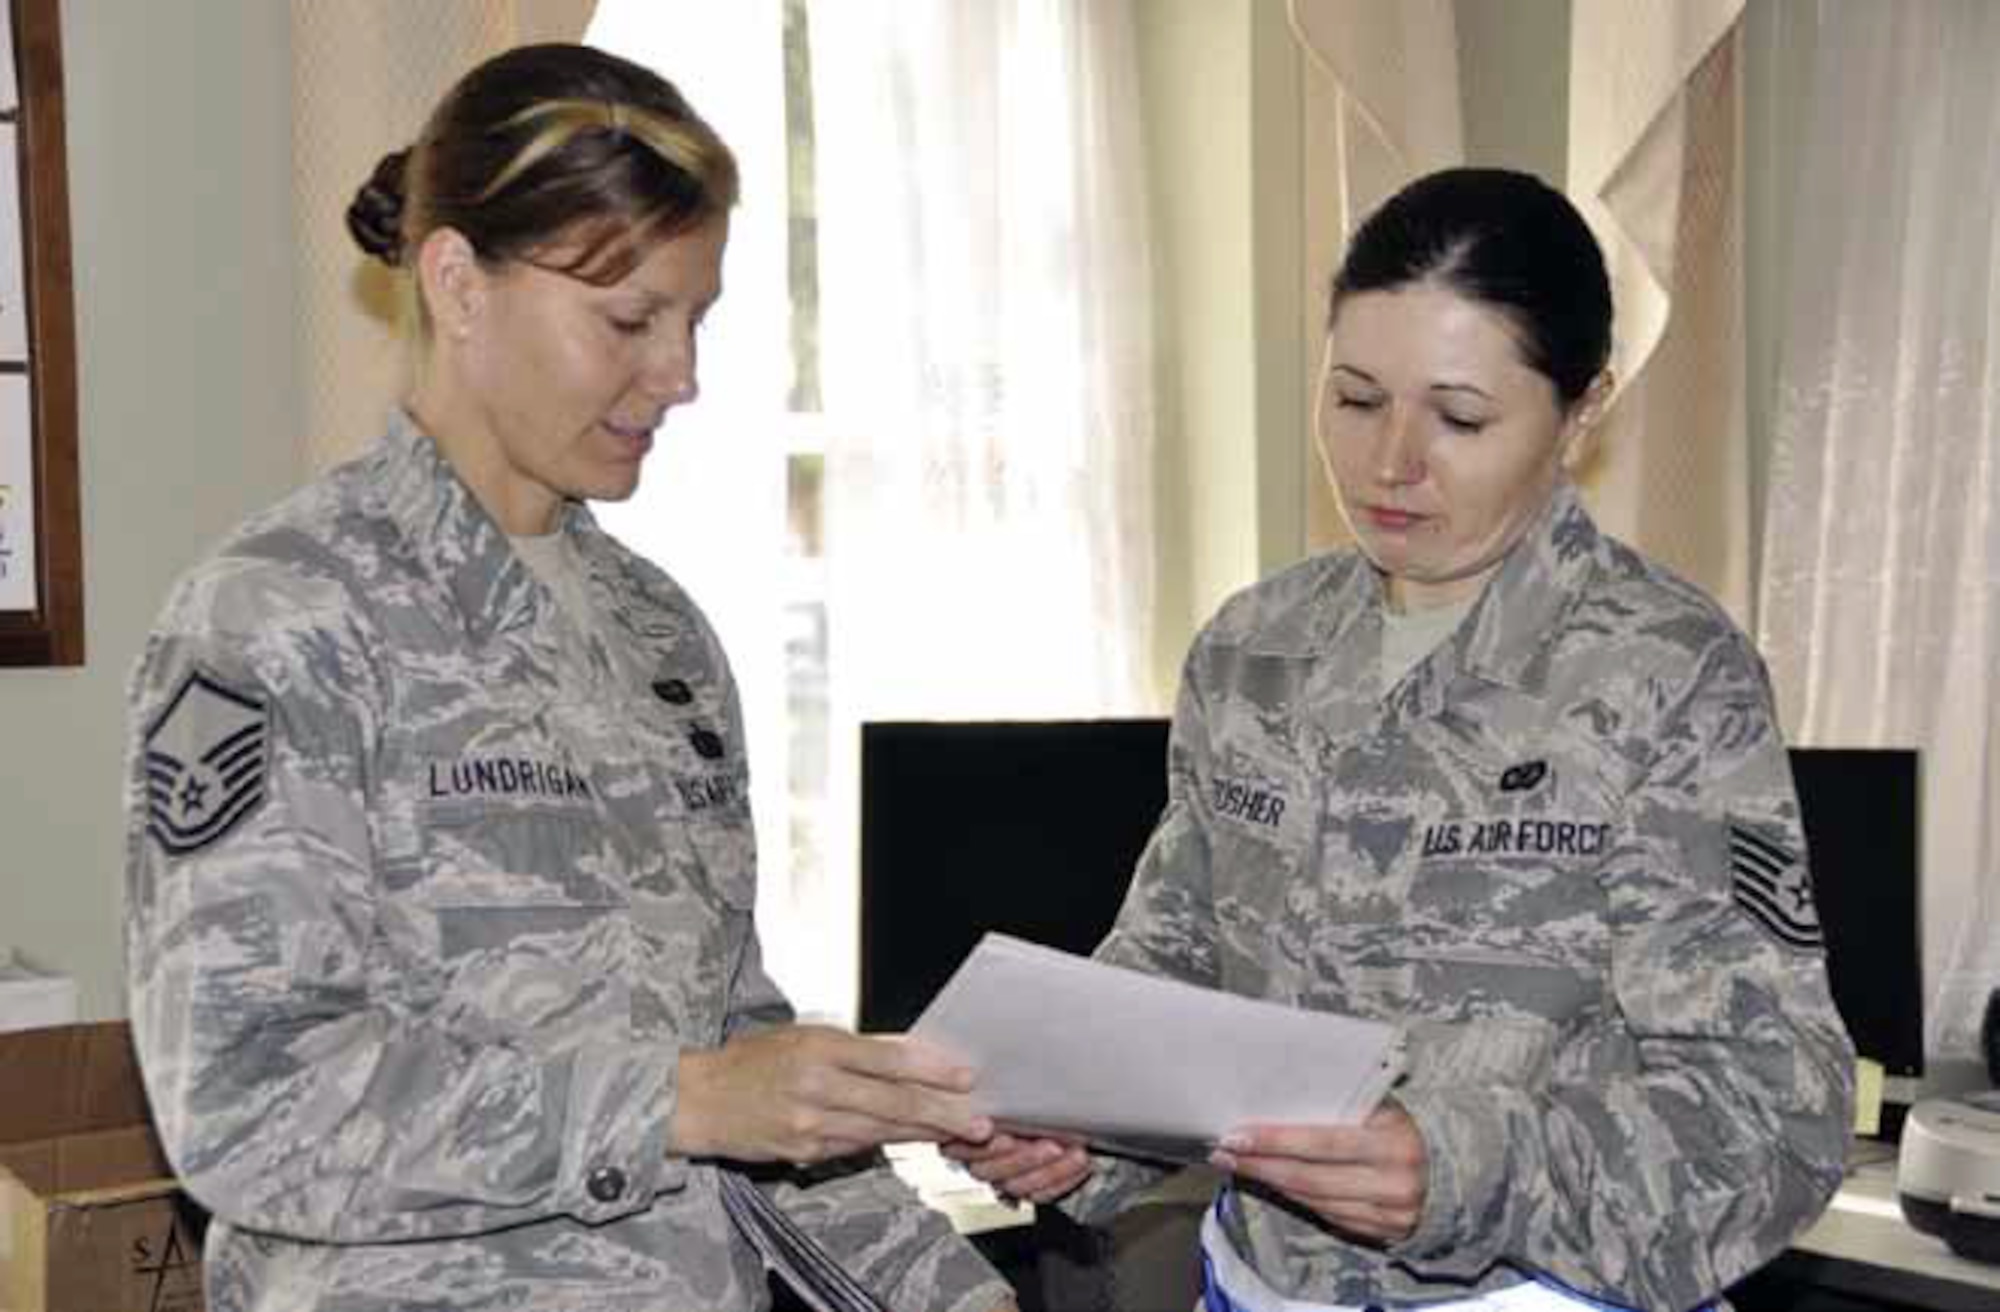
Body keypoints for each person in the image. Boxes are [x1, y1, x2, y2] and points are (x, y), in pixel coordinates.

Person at [123, 42, 1017, 1312]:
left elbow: (736, 1061)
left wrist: (953, 1290)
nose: (680, 375)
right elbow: (245, 1104)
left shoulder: (657, 636)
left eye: (693, 318)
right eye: (627, 318)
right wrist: (686, 1101)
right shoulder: (279, 615)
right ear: (457, 283)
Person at [949, 168, 1855, 1312]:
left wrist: (1462, 1165)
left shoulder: (1661, 673)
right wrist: (1075, 1122)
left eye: (1459, 416)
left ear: (1580, 413)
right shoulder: (1254, 649)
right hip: (1255, 1287)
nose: (1389, 462)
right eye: (1354, 398)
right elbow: (1175, 968)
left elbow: (1772, 1112)